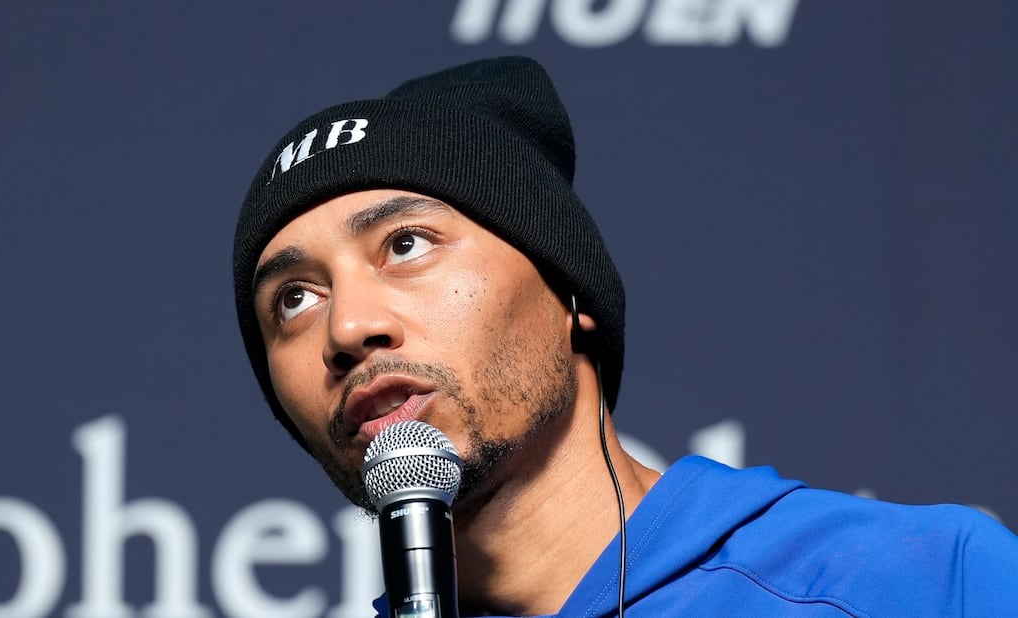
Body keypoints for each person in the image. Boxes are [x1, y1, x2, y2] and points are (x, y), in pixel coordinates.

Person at [230, 56, 1018, 617]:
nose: (349, 326)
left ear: (570, 288)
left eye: (405, 244)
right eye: (293, 299)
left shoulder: (921, 580)